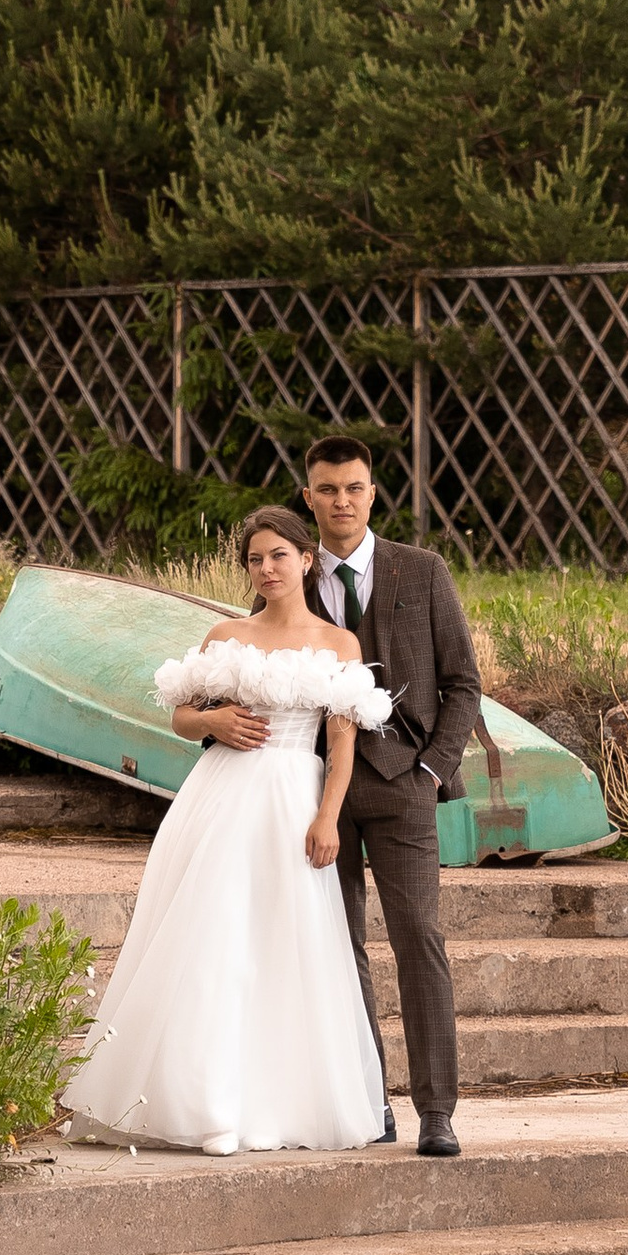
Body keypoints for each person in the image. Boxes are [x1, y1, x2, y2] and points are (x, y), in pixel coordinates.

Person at [57, 504, 393, 1157]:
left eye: (278, 556)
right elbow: (181, 715)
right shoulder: (226, 634)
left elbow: (342, 740)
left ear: (306, 559)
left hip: (294, 800)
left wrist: (329, 815)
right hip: (222, 800)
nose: (266, 569)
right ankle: (204, 1108)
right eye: (254, 558)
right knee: (213, 942)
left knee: (279, 945)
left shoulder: (338, 644)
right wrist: (213, 725)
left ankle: (270, 1106)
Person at [298, 434, 484, 1158]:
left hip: (405, 784)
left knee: (420, 944)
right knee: (341, 951)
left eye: (353, 488)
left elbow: (463, 682)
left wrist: (433, 770)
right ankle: (369, 1102)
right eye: (326, 489)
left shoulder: (424, 571)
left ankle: (437, 1111)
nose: (341, 501)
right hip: (318, 796)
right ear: (307, 497)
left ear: (373, 493)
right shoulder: (290, 574)